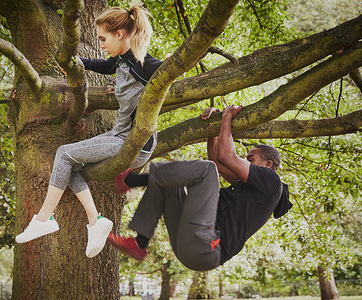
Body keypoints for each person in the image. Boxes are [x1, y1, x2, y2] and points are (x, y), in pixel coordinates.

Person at [15, 2, 163, 259]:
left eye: (104, 38)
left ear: (120, 34)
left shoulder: (145, 65)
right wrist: (75, 63)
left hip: (135, 142)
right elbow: (105, 65)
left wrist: (173, 67)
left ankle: (43, 218)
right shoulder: (122, 61)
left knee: (63, 153)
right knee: (69, 167)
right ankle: (95, 221)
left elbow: (167, 75)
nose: (102, 43)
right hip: (120, 135)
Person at [109, 104, 293, 271]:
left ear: (268, 164)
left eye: (250, 159)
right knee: (169, 183)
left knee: (207, 169)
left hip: (208, 246)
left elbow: (225, 158)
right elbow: (216, 160)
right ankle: (140, 243)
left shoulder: (271, 181)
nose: (246, 162)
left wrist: (226, 117)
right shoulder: (249, 186)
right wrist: (213, 128)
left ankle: (131, 180)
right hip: (192, 246)